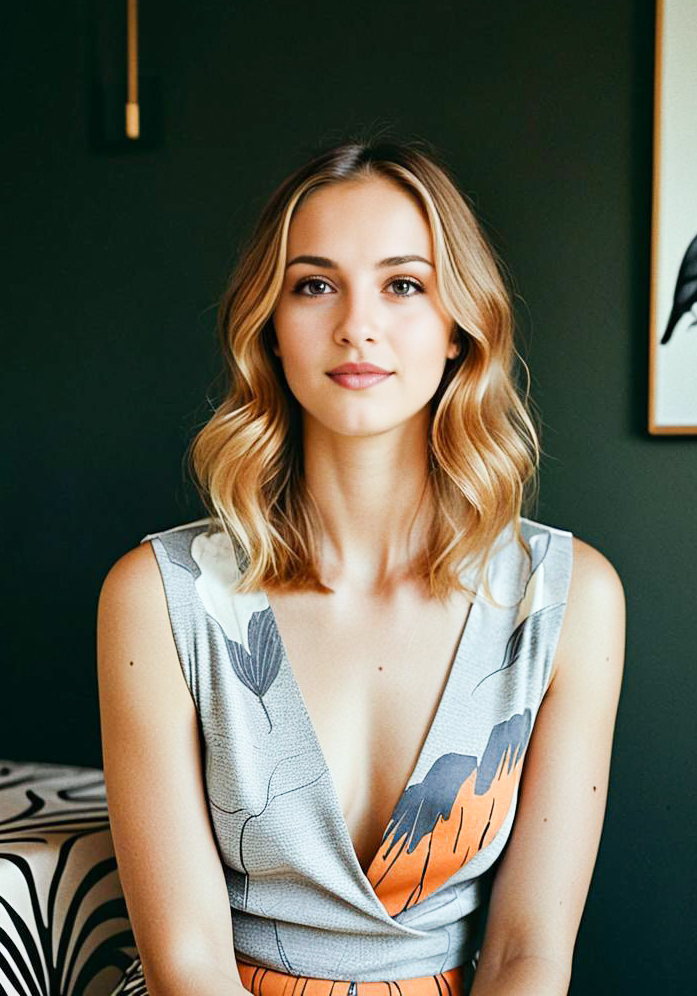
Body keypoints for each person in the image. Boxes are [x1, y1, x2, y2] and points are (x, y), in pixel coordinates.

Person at [97, 138, 625, 996]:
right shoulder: (159, 596)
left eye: (403, 284)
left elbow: (529, 951)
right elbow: (185, 960)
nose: (357, 324)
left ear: (460, 327)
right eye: (314, 284)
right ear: (268, 327)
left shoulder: (566, 598)